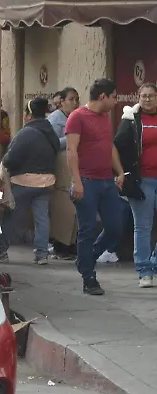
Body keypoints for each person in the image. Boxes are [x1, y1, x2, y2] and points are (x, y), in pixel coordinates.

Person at [66, 78, 126, 296]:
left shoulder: (106, 118)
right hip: (87, 182)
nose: (116, 101)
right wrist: (76, 181)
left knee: (115, 228)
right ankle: (88, 276)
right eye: (114, 96)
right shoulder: (77, 117)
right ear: (103, 96)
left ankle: (87, 258)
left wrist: (119, 171)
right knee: (88, 228)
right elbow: (71, 151)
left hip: (107, 181)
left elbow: (109, 146)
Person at [0, 96, 60, 265]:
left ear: (29, 115)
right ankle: (41, 254)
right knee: (42, 219)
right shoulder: (51, 133)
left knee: (12, 218)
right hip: (47, 183)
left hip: (23, 183)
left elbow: (10, 159)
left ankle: (0, 250)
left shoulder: (25, 134)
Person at [115, 82, 157, 287]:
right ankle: (144, 271)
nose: (147, 99)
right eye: (143, 96)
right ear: (138, 98)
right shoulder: (130, 120)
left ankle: (155, 264)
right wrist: (123, 173)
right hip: (143, 180)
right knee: (143, 226)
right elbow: (118, 147)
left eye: (151, 95)